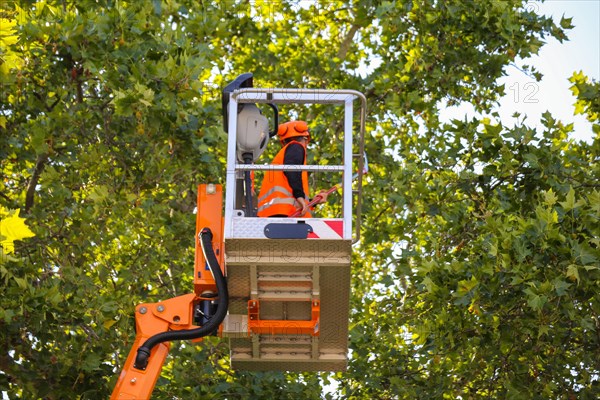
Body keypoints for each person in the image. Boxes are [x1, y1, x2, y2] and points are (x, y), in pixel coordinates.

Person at [257, 120, 329, 218]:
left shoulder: (281, 157)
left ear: (283, 141)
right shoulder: (296, 146)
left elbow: (288, 190)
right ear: (305, 139)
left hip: (276, 213)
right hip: (285, 213)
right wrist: (300, 196)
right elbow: (292, 171)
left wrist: (313, 201)